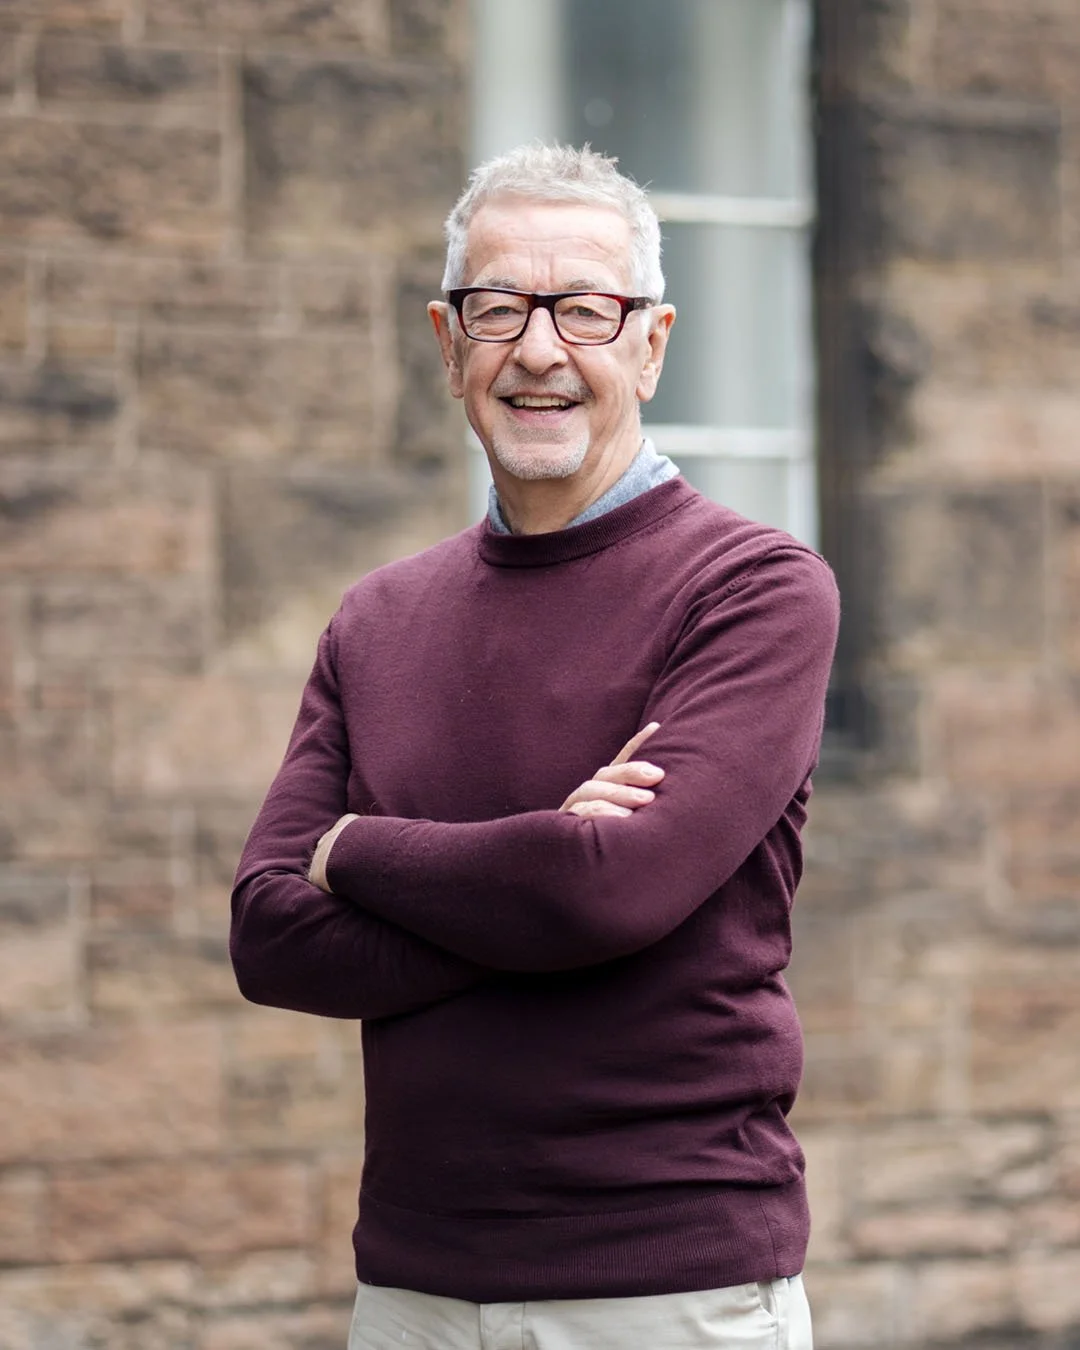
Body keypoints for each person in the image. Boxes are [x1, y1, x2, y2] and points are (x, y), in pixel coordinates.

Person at [231, 142, 839, 1350]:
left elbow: (610, 892)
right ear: (450, 343)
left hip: (667, 1284)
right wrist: (541, 876)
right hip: (411, 1287)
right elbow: (266, 934)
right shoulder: (378, 618)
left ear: (651, 343)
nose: (542, 349)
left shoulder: (755, 590)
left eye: (588, 310)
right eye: (499, 306)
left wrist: (354, 850)